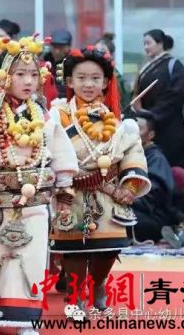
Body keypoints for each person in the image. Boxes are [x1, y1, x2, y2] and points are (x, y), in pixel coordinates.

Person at [0, 34, 78, 335]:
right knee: (1, 259)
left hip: (36, 203)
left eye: (33, 75)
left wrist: (63, 191)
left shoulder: (47, 119)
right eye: (19, 74)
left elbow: (61, 158)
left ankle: (27, 320)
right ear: (3, 78)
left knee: (33, 259)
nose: (28, 81)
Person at [49, 46, 151, 314]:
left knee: (107, 249)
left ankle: (97, 285)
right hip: (70, 193)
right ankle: (74, 298)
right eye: (81, 78)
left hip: (107, 194)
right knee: (73, 251)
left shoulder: (117, 121)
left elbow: (133, 153)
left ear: (106, 82)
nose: (89, 84)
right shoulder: (57, 116)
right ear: (69, 81)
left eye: (95, 78)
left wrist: (129, 187)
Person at [133, 29, 184, 166]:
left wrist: (153, 114)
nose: (146, 47)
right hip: (149, 127)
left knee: (168, 164)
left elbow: (177, 94)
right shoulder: (145, 67)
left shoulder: (174, 65)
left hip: (170, 126)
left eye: (149, 43)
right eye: (144, 44)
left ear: (160, 43)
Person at [130, 110, 177, 243]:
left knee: (119, 220)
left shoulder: (156, 159)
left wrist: (125, 197)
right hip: (130, 205)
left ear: (150, 135)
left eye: (139, 129)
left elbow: (153, 196)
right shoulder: (127, 154)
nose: (133, 133)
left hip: (152, 215)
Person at [95, 33, 132, 113]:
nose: (98, 55)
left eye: (102, 51)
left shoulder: (119, 80)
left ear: (111, 55)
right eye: (95, 51)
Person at [44, 29, 72, 101]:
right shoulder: (44, 61)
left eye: (61, 47)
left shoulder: (73, 64)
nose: (57, 51)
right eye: (54, 46)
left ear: (68, 47)